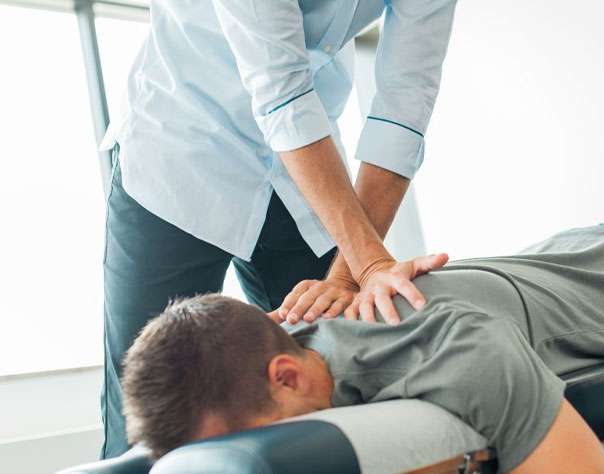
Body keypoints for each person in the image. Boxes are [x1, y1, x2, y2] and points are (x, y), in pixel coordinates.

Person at [120, 223, 604, 473]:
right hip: (544, 269)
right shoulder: (264, 349)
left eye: (255, 436)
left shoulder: (448, 347)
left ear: (288, 376)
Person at [98, 0, 458, 458]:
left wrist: (351, 273)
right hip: (180, 153)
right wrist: (369, 261)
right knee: (153, 420)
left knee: (334, 373)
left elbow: (404, 106)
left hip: (303, 175)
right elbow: (280, 91)